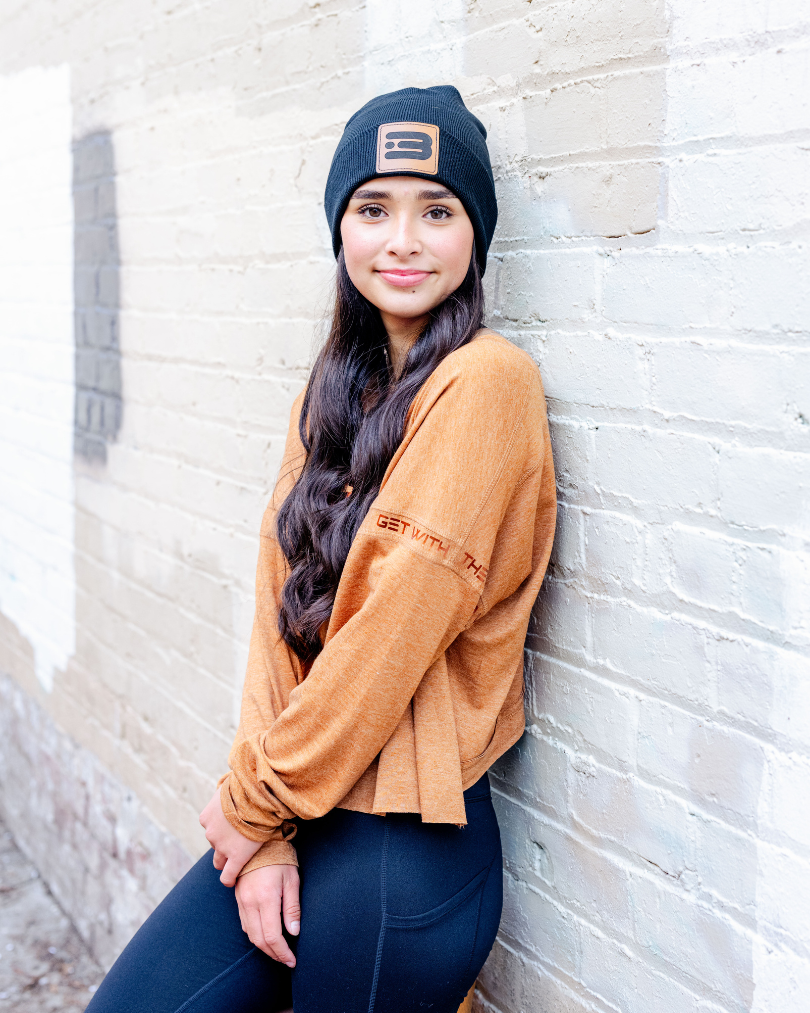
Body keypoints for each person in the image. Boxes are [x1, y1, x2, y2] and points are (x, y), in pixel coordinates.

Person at [87, 85, 556, 1013]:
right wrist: (260, 830)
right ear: (340, 230)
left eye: (439, 210)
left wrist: (255, 804)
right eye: (373, 209)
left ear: (477, 234)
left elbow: (388, 637)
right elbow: (280, 615)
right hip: (302, 808)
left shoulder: (487, 384)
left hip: (407, 846)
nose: (404, 241)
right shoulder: (337, 395)